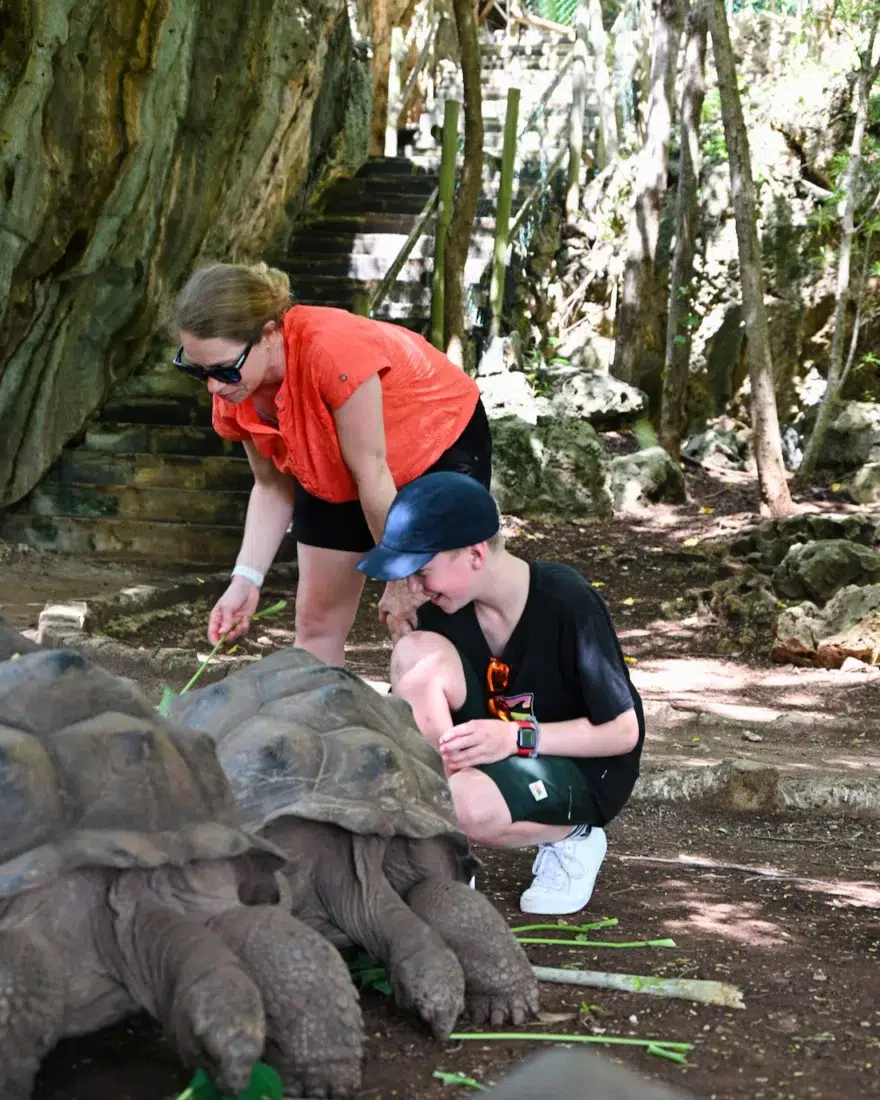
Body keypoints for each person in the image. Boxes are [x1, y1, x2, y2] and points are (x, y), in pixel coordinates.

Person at [171, 262, 491, 666]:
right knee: (316, 623)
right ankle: (324, 724)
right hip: (332, 461)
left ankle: (451, 717)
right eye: (198, 371)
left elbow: (372, 472)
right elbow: (271, 487)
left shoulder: (330, 351)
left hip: (433, 445)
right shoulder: (236, 387)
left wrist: (398, 574)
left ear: (269, 334)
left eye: (223, 369)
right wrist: (245, 580)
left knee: (432, 608)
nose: (214, 386)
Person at [356, 472, 645, 915]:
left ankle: (574, 837)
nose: (413, 587)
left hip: (576, 764)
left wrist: (517, 738)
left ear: (474, 555)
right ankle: (442, 852)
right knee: (415, 653)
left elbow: (623, 732)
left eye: (421, 571)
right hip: (487, 748)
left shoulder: (567, 602)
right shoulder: (445, 603)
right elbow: (416, 706)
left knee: (464, 806)